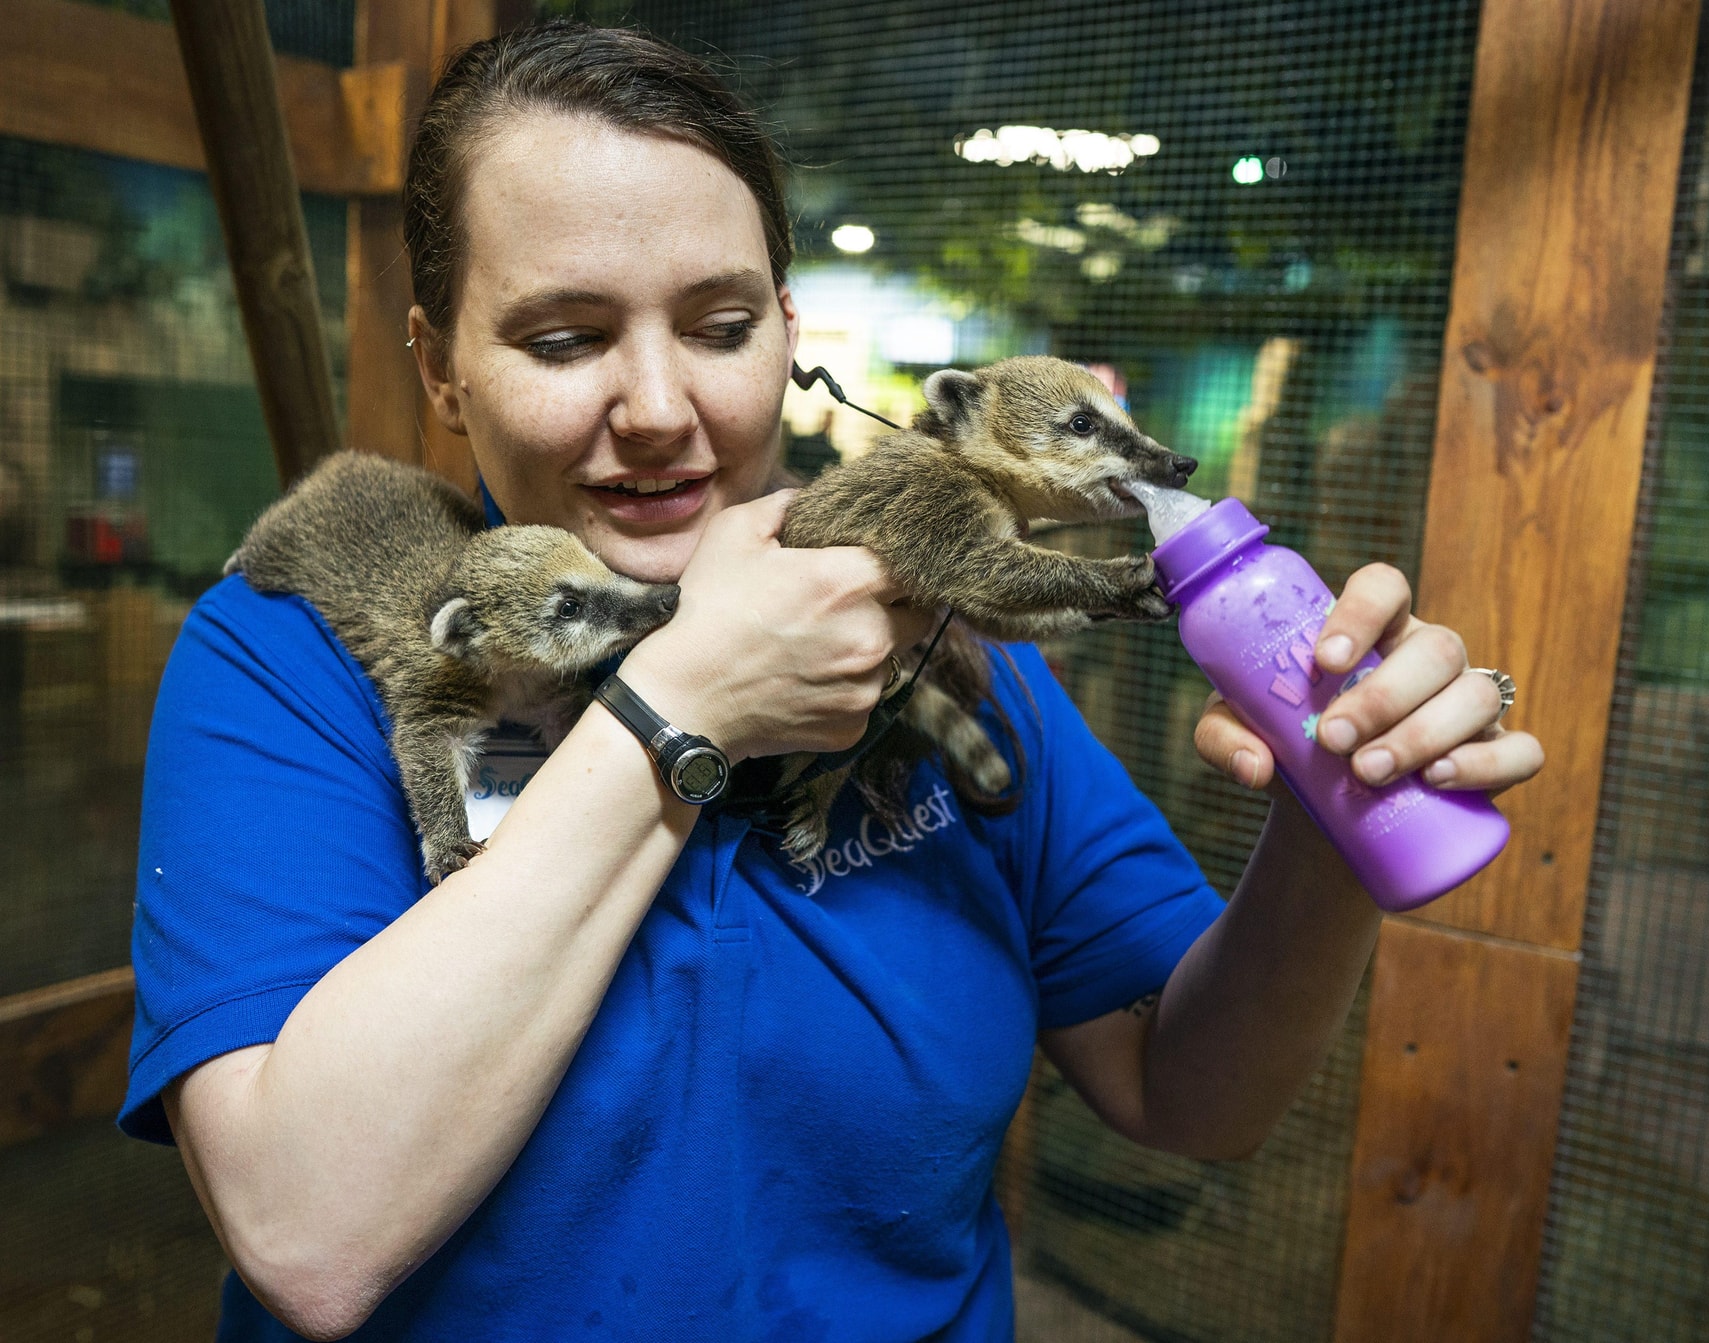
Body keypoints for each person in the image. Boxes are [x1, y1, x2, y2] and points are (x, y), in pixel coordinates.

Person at [120, 21, 1543, 1342]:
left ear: (790, 334)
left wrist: (1334, 814)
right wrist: (681, 706)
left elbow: (1186, 1086)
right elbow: (310, 1238)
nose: (662, 411)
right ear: (441, 367)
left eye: (722, 326)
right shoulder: (298, 664)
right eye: (565, 339)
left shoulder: (930, 622)